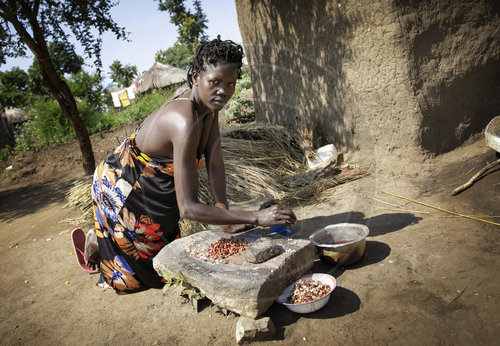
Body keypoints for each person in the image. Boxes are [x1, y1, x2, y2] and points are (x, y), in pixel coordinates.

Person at [88, 37, 297, 294]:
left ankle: (100, 238)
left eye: (231, 84)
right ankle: (96, 241)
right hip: (124, 186)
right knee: (140, 273)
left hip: (152, 185)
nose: (224, 91)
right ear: (197, 76)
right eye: (216, 82)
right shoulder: (183, 121)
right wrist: (256, 217)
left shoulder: (209, 104)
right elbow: (188, 207)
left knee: (160, 246)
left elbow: (215, 159)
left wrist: (225, 216)